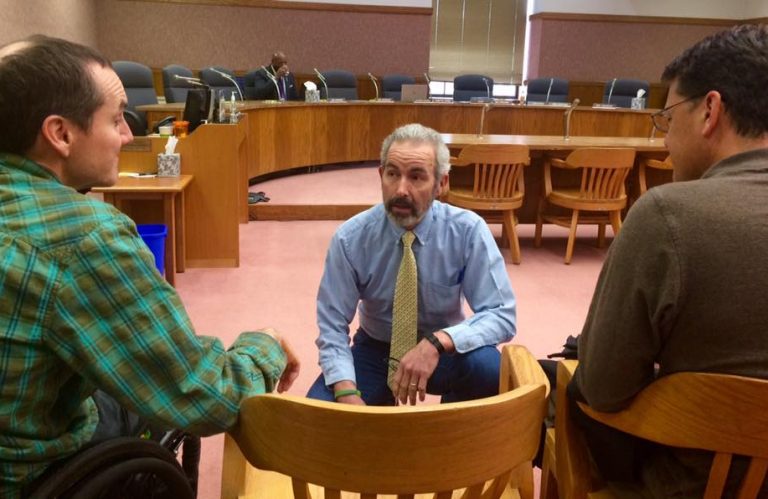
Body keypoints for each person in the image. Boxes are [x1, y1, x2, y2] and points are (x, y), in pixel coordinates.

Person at [0, 35, 300, 496]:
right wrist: (267, 344)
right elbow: (205, 396)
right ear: (60, 134)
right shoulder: (84, 237)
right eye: (117, 119)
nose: (125, 135)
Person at [569, 24, 768, 497]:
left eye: (667, 117)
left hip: (694, 487)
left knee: (559, 385)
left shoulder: (667, 215)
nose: (663, 140)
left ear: (709, 111)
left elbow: (603, 388)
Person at [307, 123, 516, 406]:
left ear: (442, 183)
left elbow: (501, 314)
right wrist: (346, 391)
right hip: (376, 350)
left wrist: (438, 341)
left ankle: (454, 430)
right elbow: (332, 324)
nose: (401, 190)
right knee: (322, 414)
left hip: (446, 350)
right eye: (393, 174)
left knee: (489, 369)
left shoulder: (467, 231)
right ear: (381, 175)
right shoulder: (351, 238)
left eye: (416, 177)